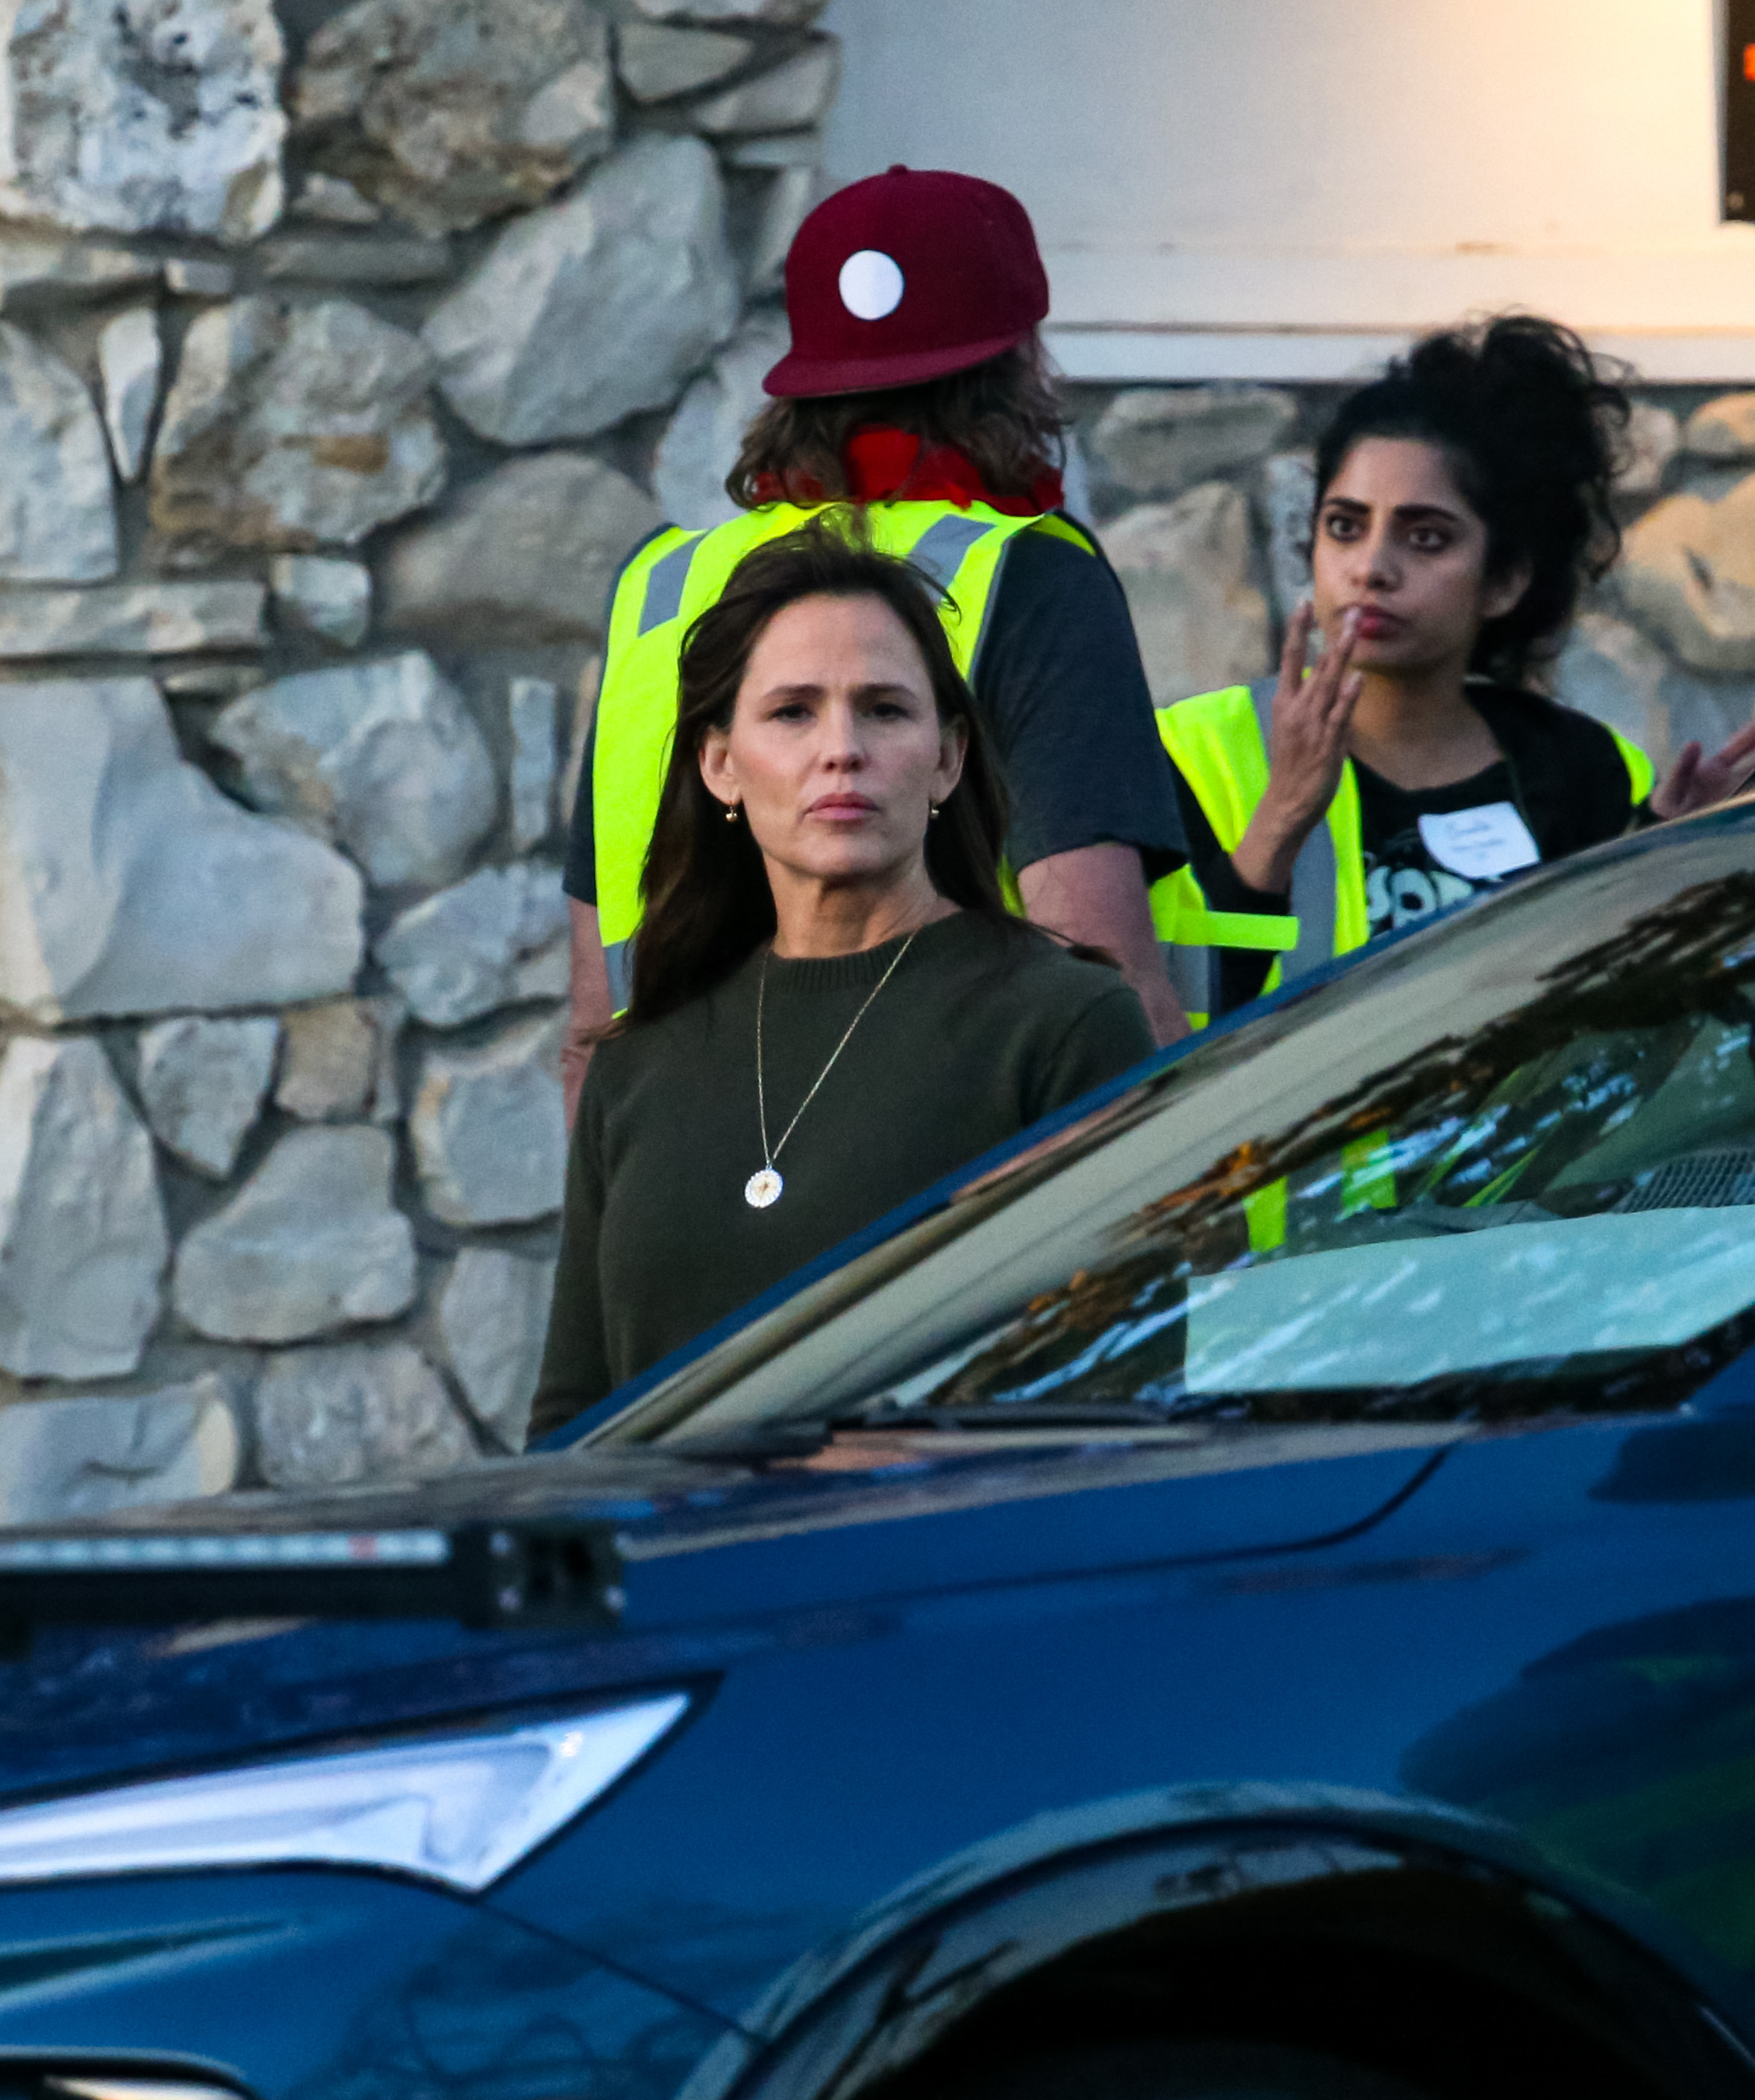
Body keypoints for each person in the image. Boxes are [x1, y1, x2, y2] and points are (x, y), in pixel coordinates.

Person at [560, 164, 1189, 1126]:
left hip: (680, 1185)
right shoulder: (1029, 577)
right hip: (937, 1199)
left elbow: (589, 1030)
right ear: (1021, 356)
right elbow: (1099, 984)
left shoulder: (662, 589)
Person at [531, 523, 1157, 1439]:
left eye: (883, 709)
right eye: (792, 712)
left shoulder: (1061, 1025)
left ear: (947, 758)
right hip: (673, 1576)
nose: (841, 749)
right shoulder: (637, 1062)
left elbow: (1122, 1386)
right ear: (720, 765)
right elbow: (569, 1421)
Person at [1149, 314, 1755, 1025]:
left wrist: (1664, 859)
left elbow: (1622, 1031)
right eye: (1344, 526)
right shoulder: (1188, 754)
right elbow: (1159, 1034)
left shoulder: (1591, 770)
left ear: (1504, 581)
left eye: (1426, 538)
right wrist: (1279, 822)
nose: (1372, 568)